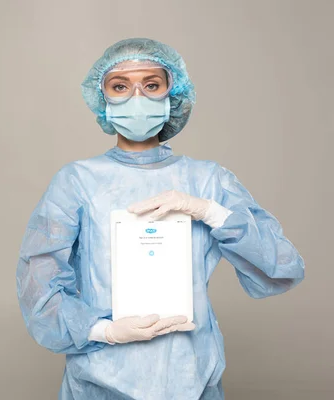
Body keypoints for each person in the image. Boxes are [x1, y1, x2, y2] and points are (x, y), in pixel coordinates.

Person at [15, 38, 305, 400]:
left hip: (191, 377)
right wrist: (104, 331)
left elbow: (283, 266)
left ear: (173, 94)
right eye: (120, 87)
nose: (137, 98)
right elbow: (38, 284)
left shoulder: (207, 181)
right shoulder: (77, 181)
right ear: (102, 98)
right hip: (100, 380)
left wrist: (210, 212)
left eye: (152, 85)